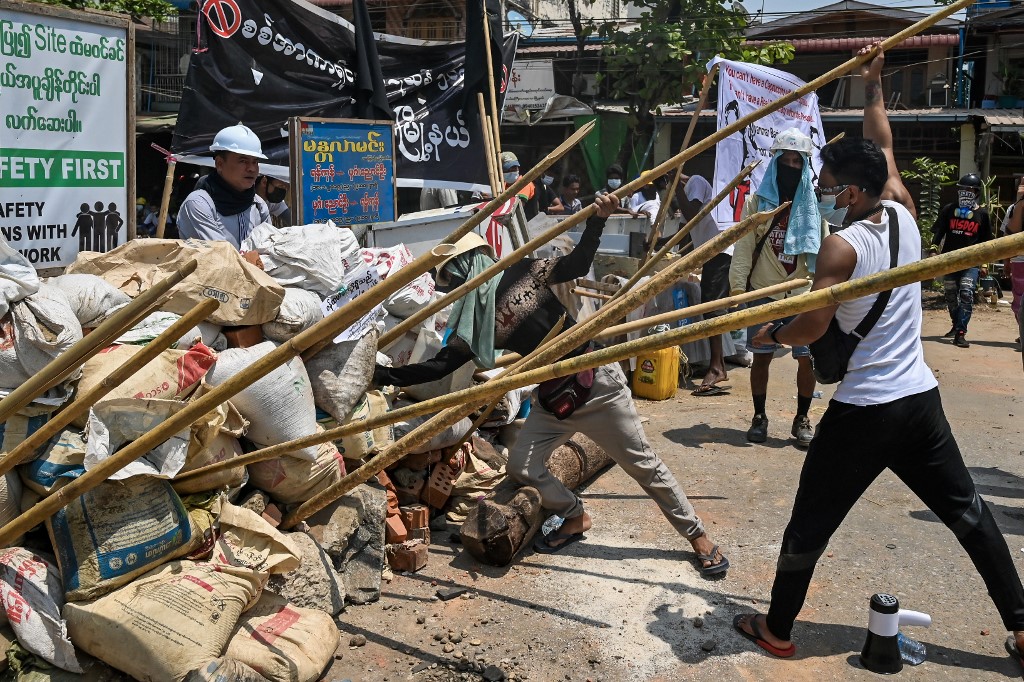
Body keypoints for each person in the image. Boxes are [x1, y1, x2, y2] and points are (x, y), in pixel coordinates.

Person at [733, 46, 1024, 666]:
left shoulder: (841, 248)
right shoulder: (904, 213)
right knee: (969, 515)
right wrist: (873, 85)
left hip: (865, 408)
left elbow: (810, 330)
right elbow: (882, 143)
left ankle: (778, 629)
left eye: (830, 185)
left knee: (810, 522)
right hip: (919, 398)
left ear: (855, 192)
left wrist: (770, 335)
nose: (822, 190)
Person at [372, 194, 730, 577]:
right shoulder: (476, 320)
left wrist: (598, 220)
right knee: (523, 464)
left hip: (596, 387)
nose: (454, 285)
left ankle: (698, 537)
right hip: (553, 398)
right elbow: (441, 364)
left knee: (644, 467)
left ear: (469, 265)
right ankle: (574, 515)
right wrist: (387, 376)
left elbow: (576, 263)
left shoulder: (524, 272)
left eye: (455, 275)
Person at [728, 128, 827, 448]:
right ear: (775, 164)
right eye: (786, 161)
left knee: (807, 358)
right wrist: (736, 292)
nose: (791, 167)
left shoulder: (814, 210)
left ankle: (802, 417)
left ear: (806, 166)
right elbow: (743, 249)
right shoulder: (758, 204)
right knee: (761, 357)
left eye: (798, 162)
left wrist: (825, 295)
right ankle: (759, 417)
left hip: (801, 294)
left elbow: (825, 251)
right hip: (764, 292)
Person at [678, 174, 734, 395]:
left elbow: (691, 215)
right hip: (712, 253)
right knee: (711, 307)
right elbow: (685, 231)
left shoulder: (697, 182)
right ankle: (718, 365)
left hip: (720, 251)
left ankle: (716, 367)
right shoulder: (691, 190)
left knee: (712, 309)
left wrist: (676, 188)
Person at [176, 123, 271, 249]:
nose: (252, 169)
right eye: (243, 161)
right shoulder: (199, 204)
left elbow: (270, 250)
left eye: (255, 162)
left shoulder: (258, 205)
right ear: (220, 164)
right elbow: (221, 256)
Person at [931, 172, 993, 348]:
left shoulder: (983, 214)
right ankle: (956, 323)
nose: (965, 191)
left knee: (966, 294)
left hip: (971, 262)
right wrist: (934, 251)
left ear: (975, 192)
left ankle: (960, 333)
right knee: (950, 295)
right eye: (962, 189)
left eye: (968, 189)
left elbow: (986, 243)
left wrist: (984, 264)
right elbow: (939, 232)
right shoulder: (949, 209)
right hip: (949, 260)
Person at [1003, 178, 1024, 353]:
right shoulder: (1013, 209)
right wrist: (1020, 203)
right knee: (1018, 302)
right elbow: (1009, 235)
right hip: (1020, 261)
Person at [501, 152, 537, 218]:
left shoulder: (524, 183)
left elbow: (517, 208)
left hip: (528, 225)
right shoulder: (503, 186)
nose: (512, 171)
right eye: (507, 169)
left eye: (514, 168)